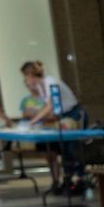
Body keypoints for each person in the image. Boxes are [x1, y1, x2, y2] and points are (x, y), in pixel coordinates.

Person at [20, 60, 86, 190]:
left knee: (71, 148)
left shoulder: (51, 82)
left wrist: (34, 120)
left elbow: (51, 105)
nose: (26, 82)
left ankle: (78, 177)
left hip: (72, 114)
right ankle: (67, 178)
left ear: (30, 75)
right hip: (62, 116)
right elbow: (46, 107)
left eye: (26, 77)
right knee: (62, 148)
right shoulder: (41, 86)